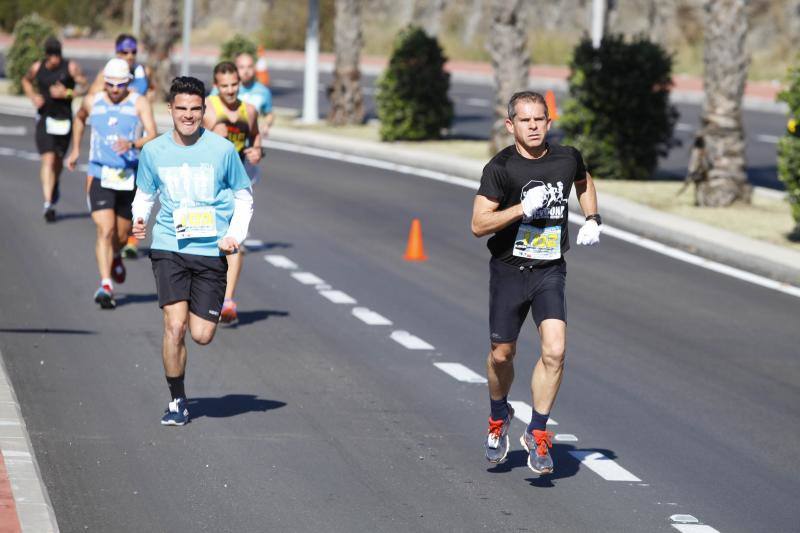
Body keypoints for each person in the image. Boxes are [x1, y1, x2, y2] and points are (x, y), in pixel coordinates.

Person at [471, 91, 602, 475]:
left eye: (539, 120)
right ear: (510, 125)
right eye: (525, 120)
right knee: (501, 355)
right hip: (509, 270)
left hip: (549, 270)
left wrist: (593, 217)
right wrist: (520, 209)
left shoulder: (566, 158)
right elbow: (478, 225)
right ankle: (499, 416)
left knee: (556, 351)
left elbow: (584, 180)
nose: (533, 127)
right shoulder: (501, 168)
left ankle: (538, 431)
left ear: (549, 122)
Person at [131, 76, 253, 426]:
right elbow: (145, 194)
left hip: (210, 250)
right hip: (169, 245)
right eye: (181, 108)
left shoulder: (222, 150)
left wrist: (234, 235)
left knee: (201, 335)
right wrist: (139, 218)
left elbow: (244, 197)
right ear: (169, 109)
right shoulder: (153, 151)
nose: (188, 115)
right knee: (175, 327)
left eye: (195, 109)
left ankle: (180, 392)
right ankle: (177, 401)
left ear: (204, 110)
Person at [66, 58, 157, 309]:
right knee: (104, 230)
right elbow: (79, 119)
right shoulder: (93, 101)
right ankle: (106, 284)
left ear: (128, 82)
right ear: (104, 82)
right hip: (100, 174)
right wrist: (75, 151)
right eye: (110, 84)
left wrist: (132, 144)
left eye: (120, 85)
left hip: (129, 175)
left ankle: (117, 254)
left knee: (120, 234)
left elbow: (152, 134)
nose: (115, 90)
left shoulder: (138, 102)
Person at [203, 61, 262, 325]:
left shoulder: (249, 110)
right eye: (224, 86)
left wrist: (256, 151)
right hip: (209, 186)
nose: (230, 90)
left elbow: (256, 137)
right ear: (216, 86)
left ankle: (227, 300)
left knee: (235, 241)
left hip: (238, 185)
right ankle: (204, 293)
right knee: (207, 242)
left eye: (234, 85)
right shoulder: (206, 108)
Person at [88, 34, 156, 258]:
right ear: (117, 53)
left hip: (139, 132)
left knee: (142, 190)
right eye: (124, 52)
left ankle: (131, 240)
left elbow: (152, 90)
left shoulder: (143, 71)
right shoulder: (106, 74)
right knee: (108, 227)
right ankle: (121, 247)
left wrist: (143, 105)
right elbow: (94, 99)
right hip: (115, 135)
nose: (129, 56)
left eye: (133, 52)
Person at [21, 37, 87, 222]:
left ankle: (54, 184)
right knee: (48, 159)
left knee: (57, 162)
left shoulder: (70, 67)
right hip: (44, 119)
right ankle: (48, 203)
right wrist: (33, 96)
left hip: (64, 120)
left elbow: (85, 86)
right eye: (52, 57)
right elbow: (26, 81)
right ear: (46, 56)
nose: (55, 60)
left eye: (58, 56)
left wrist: (67, 93)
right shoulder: (37, 67)